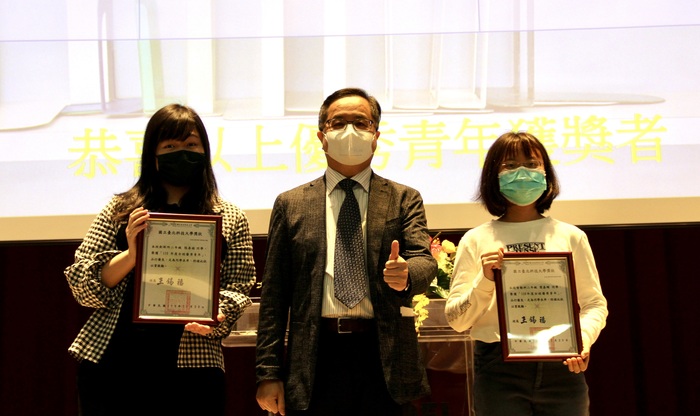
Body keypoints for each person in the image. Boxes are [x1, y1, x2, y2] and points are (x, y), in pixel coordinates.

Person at [255, 88, 437, 416]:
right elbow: (274, 296)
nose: (349, 130)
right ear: (322, 136)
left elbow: (424, 261)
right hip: (315, 357)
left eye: (361, 123)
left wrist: (407, 274)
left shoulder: (403, 198)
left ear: (376, 136)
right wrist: (268, 373)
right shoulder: (290, 203)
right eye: (338, 122)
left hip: (384, 357)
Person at [65, 104, 256, 416]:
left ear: (205, 151)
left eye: (191, 145)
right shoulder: (121, 210)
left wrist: (217, 313)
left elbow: (239, 287)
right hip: (114, 361)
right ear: (152, 154)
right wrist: (131, 255)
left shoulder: (228, 216)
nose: (182, 154)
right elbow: (82, 284)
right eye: (170, 146)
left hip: (192, 365)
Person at [445, 131, 608, 415]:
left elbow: (595, 304)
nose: (522, 172)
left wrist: (581, 338)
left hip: (562, 365)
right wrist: (485, 280)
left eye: (532, 164)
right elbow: (457, 321)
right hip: (498, 368)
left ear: (546, 172)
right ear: (493, 176)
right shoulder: (475, 239)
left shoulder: (571, 236)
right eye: (510, 165)